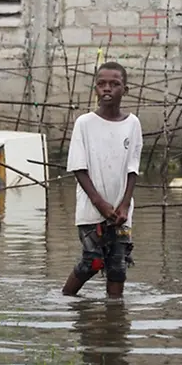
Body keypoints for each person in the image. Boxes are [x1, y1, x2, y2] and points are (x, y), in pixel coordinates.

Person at [61, 61, 142, 299]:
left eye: (114, 84)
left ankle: (114, 318)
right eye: (102, 84)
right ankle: (65, 299)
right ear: (95, 89)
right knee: (93, 261)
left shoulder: (133, 124)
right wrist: (101, 204)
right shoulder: (84, 123)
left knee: (118, 267)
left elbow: (133, 167)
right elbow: (78, 167)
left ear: (124, 90)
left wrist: (124, 204)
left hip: (120, 210)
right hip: (91, 208)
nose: (107, 89)